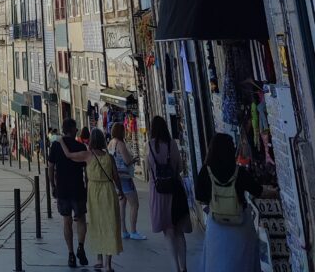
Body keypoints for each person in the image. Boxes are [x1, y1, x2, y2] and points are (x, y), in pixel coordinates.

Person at [195, 133, 262, 271]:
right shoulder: (239, 172)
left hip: (216, 226)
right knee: (242, 263)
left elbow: (199, 196)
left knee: (217, 264)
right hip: (240, 225)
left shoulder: (205, 171)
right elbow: (257, 190)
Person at [60, 127, 123, 272]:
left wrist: (61, 141)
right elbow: (116, 177)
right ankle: (107, 264)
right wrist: (121, 191)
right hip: (108, 191)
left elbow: (68, 155)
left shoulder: (87, 155)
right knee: (109, 224)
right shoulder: (109, 157)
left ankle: (100, 260)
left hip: (94, 193)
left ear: (91, 141)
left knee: (97, 224)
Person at [148, 116, 192, 272]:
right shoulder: (172, 144)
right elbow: (179, 167)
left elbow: (150, 169)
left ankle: (175, 268)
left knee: (168, 232)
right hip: (175, 191)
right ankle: (184, 266)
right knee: (179, 230)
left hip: (159, 193)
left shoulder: (150, 146)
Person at [49, 118, 90, 268]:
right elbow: (87, 171)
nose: (77, 131)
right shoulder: (81, 146)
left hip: (63, 189)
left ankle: (71, 254)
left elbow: (50, 167)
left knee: (66, 221)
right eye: (75, 129)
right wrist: (88, 186)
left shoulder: (55, 146)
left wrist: (52, 185)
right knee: (81, 219)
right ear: (72, 130)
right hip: (78, 188)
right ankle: (80, 246)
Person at [109, 122, 146, 241]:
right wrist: (134, 159)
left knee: (122, 204)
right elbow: (127, 161)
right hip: (125, 177)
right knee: (134, 204)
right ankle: (134, 231)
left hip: (116, 177)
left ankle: (123, 230)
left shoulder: (111, 143)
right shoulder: (120, 144)